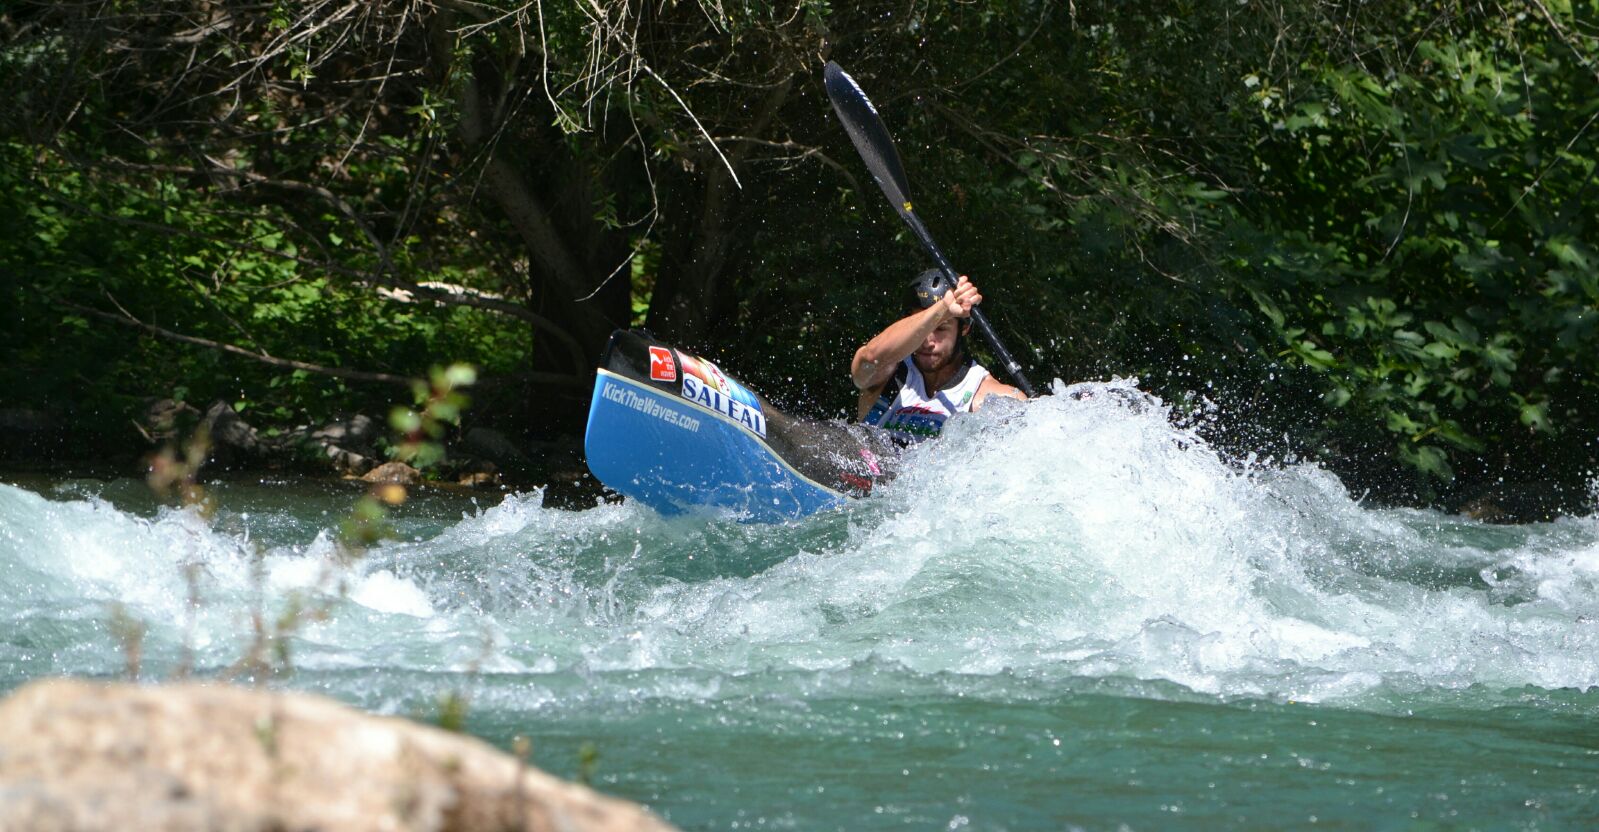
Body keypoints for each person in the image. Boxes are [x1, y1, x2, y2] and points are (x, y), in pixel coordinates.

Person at [851, 269, 1024, 444]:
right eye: (922, 330)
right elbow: (869, 358)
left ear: (964, 329)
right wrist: (943, 308)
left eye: (941, 328)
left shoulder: (986, 399)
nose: (928, 341)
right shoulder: (885, 376)